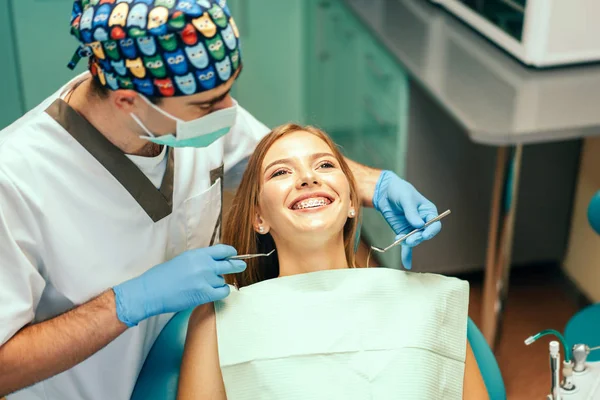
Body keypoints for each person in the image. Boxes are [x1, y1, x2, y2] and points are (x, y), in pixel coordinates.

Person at [0, 1, 442, 399]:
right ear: (127, 100)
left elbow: (280, 154)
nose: (229, 112)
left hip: (183, 355)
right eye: (209, 104)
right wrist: (127, 302)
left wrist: (375, 183)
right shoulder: (15, 179)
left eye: (230, 91)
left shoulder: (187, 107)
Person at [177, 124, 488, 400]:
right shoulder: (218, 319)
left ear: (353, 201)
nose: (308, 178)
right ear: (259, 217)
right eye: (281, 172)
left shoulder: (430, 302)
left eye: (324, 165)